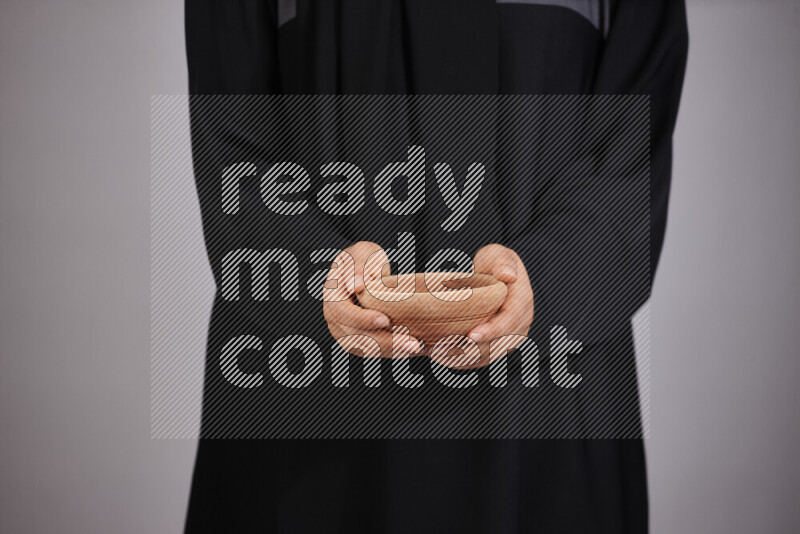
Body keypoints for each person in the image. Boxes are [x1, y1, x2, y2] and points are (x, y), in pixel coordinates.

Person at [184, 1, 687, 532]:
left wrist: (538, 282)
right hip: (308, 414)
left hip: (546, 412)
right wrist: (319, 278)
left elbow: (631, 146)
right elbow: (232, 145)